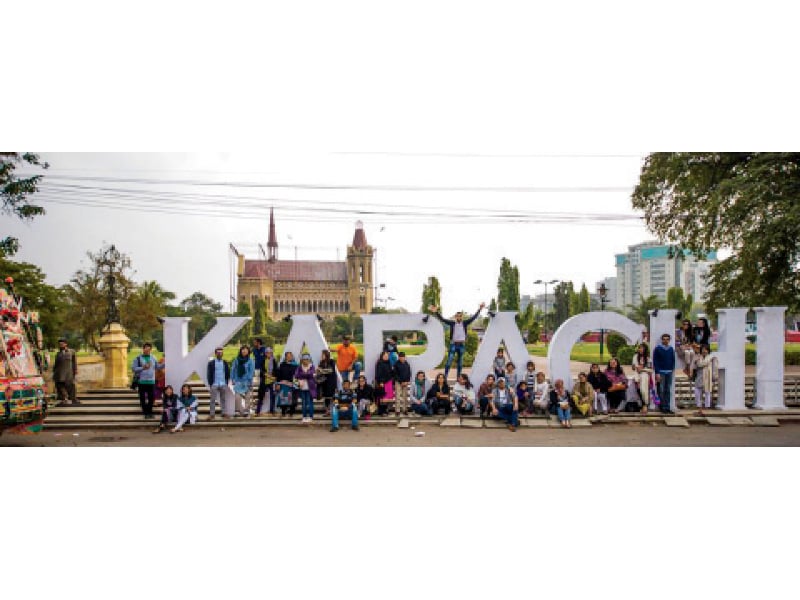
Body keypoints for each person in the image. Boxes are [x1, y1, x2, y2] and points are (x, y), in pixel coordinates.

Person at [428, 303, 485, 380]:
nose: (459, 317)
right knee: (449, 361)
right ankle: (445, 376)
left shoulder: (465, 323)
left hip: (461, 345)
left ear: (462, 317)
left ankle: (458, 377)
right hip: (453, 344)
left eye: (460, 316)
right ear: (455, 317)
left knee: (460, 363)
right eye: (458, 316)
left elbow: (473, 318)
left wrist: (479, 309)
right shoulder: (452, 323)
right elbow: (443, 319)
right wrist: (436, 312)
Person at [132, 343, 165, 419]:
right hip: (141, 381)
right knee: (142, 398)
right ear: (143, 349)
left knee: (151, 398)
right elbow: (134, 369)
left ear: (150, 349)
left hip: (151, 382)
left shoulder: (153, 357)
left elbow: (157, 367)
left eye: (149, 349)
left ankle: (150, 412)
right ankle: (145, 413)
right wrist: (143, 367)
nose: (147, 350)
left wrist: (164, 364)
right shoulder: (138, 358)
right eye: (146, 348)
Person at [653, 333, 677, 415]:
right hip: (661, 372)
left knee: (668, 390)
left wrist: (672, 368)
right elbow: (655, 361)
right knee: (661, 390)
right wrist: (657, 372)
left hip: (669, 372)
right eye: (664, 339)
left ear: (669, 340)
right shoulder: (658, 349)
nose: (666, 341)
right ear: (662, 340)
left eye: (667, 339)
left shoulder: (671, 349)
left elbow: (673, 359)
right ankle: (662, 407)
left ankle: (667, 407)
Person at [230, 345, 255, 418]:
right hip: (238, 381)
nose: (244, 351)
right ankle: (237, 411)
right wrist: (233, 379)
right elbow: (233, 369)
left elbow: (251, 371)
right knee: (237, 397)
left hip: (247, 381)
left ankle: (246, 411)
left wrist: (249, 380)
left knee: (247, 396)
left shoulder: (251, 360)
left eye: (246, 350)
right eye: (243, 349)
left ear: (248, 351)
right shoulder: (236, 360)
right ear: (240, 351)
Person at [206, 346, 230, 420]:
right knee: (212, 399)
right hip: (214, 383)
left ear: (222, 353)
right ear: (215, 353)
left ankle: (224, 413)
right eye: (218, 352)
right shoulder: (211, 363)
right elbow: (209, 373)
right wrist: (211, 383)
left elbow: (227, 372)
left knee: (223, 399)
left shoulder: (225, 362)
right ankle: (212, 414)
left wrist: (226, 382)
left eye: (221, 352)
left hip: (223, 383)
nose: (220, 354)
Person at [53, 338, 78, 407]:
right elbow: (56, 365)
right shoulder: (58, 354)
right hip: (60, 373)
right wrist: (54, 373)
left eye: (62, 343)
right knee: (60, 386)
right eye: (60, 344)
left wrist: (75, 370)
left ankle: (73, 399)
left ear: (66, 344)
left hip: (69, 372)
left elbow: (74, 362)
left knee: (71, 385)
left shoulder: (71, 352)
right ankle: (65, 398)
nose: (61, 345)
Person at [692, 344, 718, 410]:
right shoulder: (698, 357)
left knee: (707, 392)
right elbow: (698, 365)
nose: (704, 351)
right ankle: (698, 405)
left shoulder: (712, 357)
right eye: (703, 349)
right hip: (699, 375)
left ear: (708, 350)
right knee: (697, 391)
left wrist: (714, 376)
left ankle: (707, 406)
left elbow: (715, 367)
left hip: (708, 376)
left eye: (706, 349)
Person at [294, 353, 317, 423]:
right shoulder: (299, 367)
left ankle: (311, 416)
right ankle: (304, 416)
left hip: (310, 388)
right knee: (303, 403)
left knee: (310, 402)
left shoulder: (312, 366)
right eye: (304, 359)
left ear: (309, 360)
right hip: (302, 388)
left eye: (307, 359)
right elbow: (296, 375)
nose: (305, 361)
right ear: (302, 360)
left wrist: (304, 375)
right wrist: (307, 374)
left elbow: (312, 374)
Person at [256, 347, 279, 416]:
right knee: (261, 396)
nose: (269, 354)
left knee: (273, 396)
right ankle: (258, 411)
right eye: (267, 352)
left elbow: (276, 370)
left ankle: (272, 411)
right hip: (264, 380)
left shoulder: (274, 360)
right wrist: (265, 374)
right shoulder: (263, 360)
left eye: (270, 352)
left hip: (272, 381)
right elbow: (261, 370)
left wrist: (274, 377)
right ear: (265, 353)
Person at [631, 343, 652, 415]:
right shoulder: (635, 356)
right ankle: (644, 405)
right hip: (637, 375)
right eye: (640, 348)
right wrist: (635, 367)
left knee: (644, 390)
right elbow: (633, 368)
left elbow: (650, 369)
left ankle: (645, 405)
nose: (641, 349)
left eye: (642, 348)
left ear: (645, 349)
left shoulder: (648, 358)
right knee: (639, 390)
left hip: (645, 375)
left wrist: (642, 369)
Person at [276, 351, 298, 417]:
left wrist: (295, 383)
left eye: (290, 356)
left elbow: (296, 375)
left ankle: (291, 413)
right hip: (283, 384)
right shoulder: (282, 365)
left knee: (292, 399)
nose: (289, 357)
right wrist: (278, 383)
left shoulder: (295, 365)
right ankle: (283, 412)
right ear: (285, 357)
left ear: (292, 356)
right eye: (287, 356)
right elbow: (279, 375)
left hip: (292, 385)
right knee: (283, 398)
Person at [315, 349, 337, 416]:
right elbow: (318, 371)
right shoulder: (321, 362)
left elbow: (331, 370)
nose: (321, 356)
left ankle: (333, 411)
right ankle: (327, 411)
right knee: (326, 397)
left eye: (323, 354)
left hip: (331, 381)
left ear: (326, 355)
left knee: (331, 396)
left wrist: (321, 370)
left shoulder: (331, 361)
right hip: (324, 382)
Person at [374, 350, 395, 416]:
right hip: (382, 383)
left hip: (389, 382)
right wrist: (380, 382)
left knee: (387, 397)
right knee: (382, 397)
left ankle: (386, 410)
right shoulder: (380, 363)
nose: (386, 357)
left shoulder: (388, 363)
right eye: (385, 356)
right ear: (382, 356)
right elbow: (378, 373)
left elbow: (391, 372)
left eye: (387, 356)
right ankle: (381, 411)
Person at [393, 351, 412, 416]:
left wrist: (407, 381)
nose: (401, 358)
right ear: (398, 357)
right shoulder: (396, 364)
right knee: (398, 396)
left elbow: (409, 373)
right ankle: (397, 410)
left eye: (403, 357)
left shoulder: (407, 364)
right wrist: (401, 382)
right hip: (398, 382)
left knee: (405, 397)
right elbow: (395, 374)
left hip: (406, 383)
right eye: (400, 357)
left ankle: (405, 410)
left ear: (404, 357)